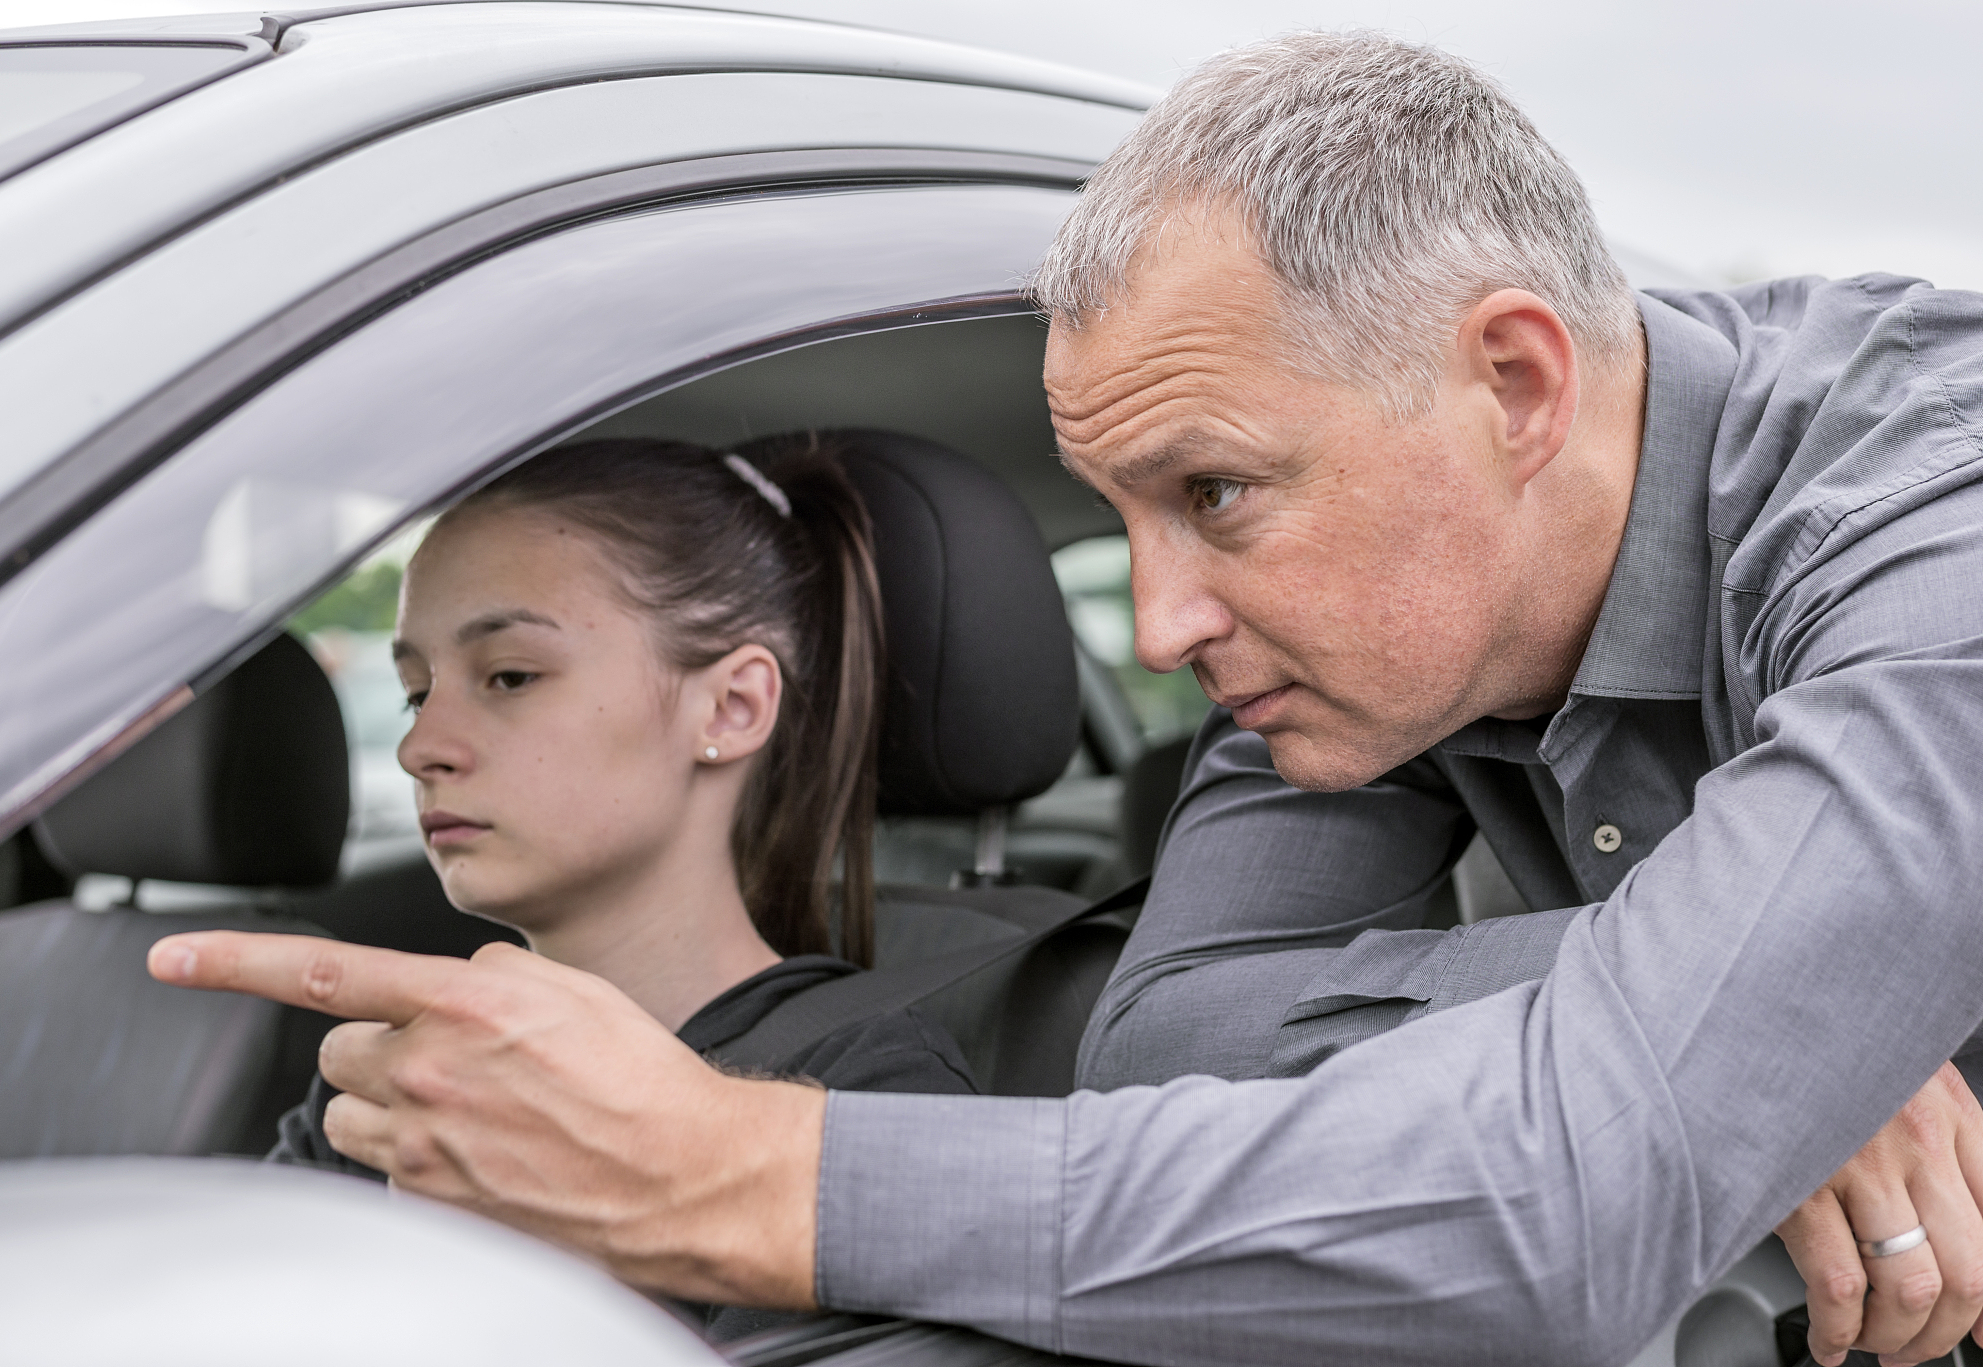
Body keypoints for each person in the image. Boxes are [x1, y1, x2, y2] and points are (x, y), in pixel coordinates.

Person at [151, 32, 1983, 1367]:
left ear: (1510, 384)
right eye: (1119, 520)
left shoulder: (1931, 520)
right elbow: (1164, 1035)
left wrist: (726, 1170)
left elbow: (1565, 1214)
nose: (1164, 620)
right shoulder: (1363, 652)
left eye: (1213, 494)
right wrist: (1737, 1016)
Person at [266, 435, 973, 1338]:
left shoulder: (871, 1103)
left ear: (731, 707)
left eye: (510, 676)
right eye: (415, 692)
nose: (420, 747)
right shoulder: (397, 1081)